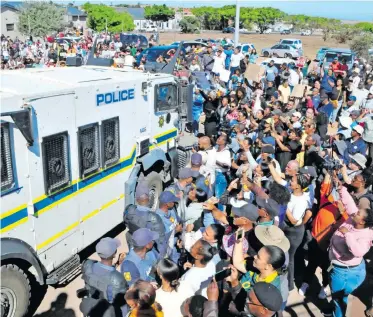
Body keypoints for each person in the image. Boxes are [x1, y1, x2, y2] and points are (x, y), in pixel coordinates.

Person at [329, 208, 373, 317]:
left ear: (362, 222)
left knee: (339, 300)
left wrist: (347, 234)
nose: (355, 213)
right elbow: (350, 204)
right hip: (348, 270)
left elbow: (358, 251)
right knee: (340, 298)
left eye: (358, 213)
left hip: (344, 274)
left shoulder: (365, 237)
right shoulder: (355, 223)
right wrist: (341, 190)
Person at [79, 237, 128, 317]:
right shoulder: (118, 279)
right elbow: (122, 303)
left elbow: (102, 273)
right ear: (114, 254)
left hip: (92, 306)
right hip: (109, 312)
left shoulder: (88, 264)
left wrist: (116, 264)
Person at [123, 183, 165, 250]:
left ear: (136, 199)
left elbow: (126, 223)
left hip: (134, 244)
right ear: (148, 198)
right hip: (147, 249)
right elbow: (161, 240)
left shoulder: (128, 209)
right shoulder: (154, 217)